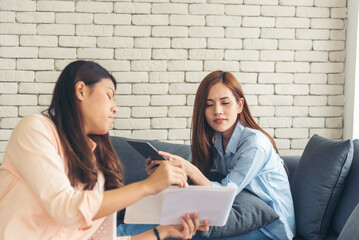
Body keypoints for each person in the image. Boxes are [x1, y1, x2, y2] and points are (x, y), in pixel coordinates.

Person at [0, 60, 208, 240]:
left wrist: (162, 232)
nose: (115, 107)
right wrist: (148, 186)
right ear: (81, 90)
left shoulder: (95, 164)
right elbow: (66, 208)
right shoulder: (35, 129)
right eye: (109, 95)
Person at [146, 71, 295, 240]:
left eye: (225, 103)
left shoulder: (255, 145)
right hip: (240, 212)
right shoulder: (216, 140)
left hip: (271, 228)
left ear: (239, 105)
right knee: (170, 226)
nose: (217, 111)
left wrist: (192, 170)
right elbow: (193, 183)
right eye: (209, 105)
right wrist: (166, 175)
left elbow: (226, 191)